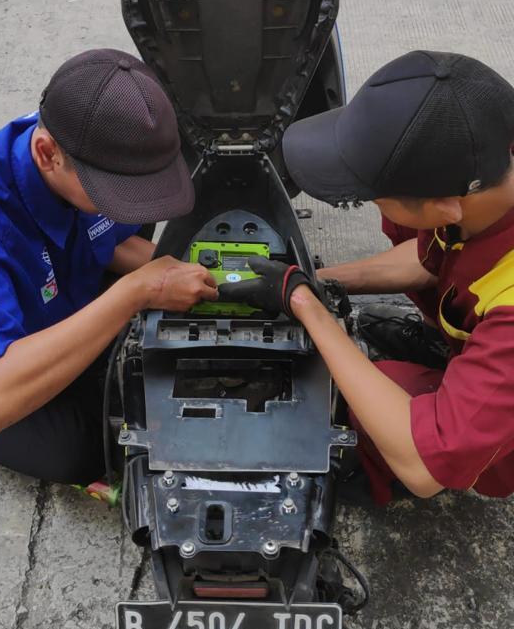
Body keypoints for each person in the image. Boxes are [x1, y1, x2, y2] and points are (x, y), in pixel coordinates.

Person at [220, 50, 514, 506]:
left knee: (372, 405)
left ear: (446, 209)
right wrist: (317, 279)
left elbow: (424, 468)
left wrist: (305, 306)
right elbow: (427, 252)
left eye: (371, 196)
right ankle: (453, 347)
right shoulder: (491, 152)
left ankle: (370, 470)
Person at [0, 49, 217, 484]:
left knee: (131, 211)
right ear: (47, 154)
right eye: (113, 190)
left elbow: (116, 240)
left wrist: (210, 275)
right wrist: (134, 293)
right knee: (81, 449)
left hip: (55, 276)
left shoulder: (77, 134)